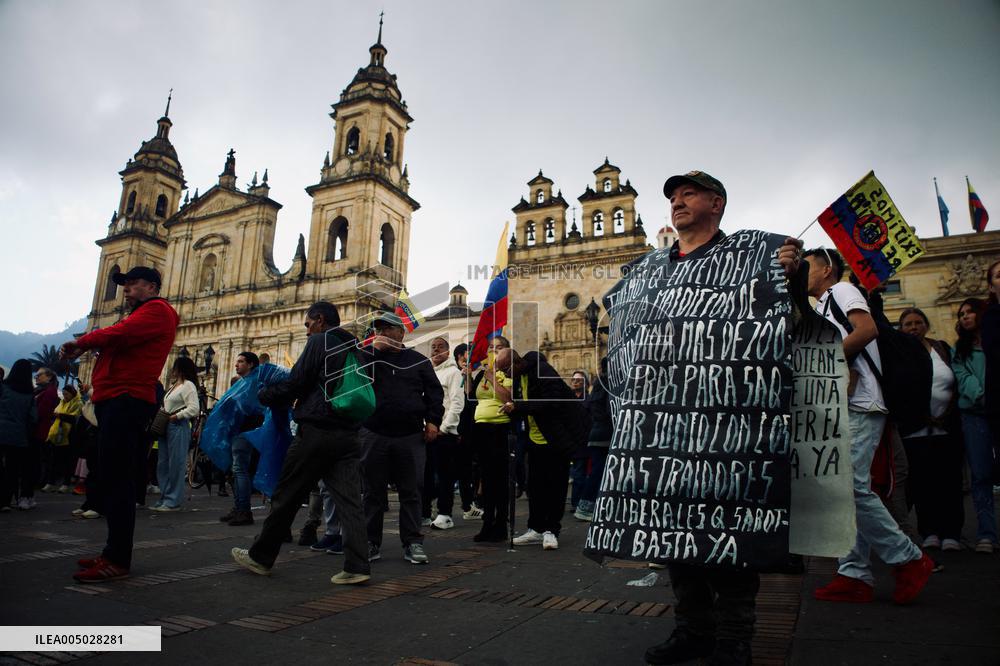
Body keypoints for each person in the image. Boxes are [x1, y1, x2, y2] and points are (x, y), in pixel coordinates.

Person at [600, 170, 803, 666]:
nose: (677, 202)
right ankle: (693, 629)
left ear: (717, 203)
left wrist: (790, 273)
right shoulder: (648, 270)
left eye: (688, 193)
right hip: (662, 428)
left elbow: (787, 315)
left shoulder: (753, 257)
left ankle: (736, 640)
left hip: (729, 426)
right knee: (674, 532)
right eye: (673, 196)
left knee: (731, 534)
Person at [804, 248, 933, 606]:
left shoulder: (843, 291)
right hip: (845, 404)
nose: (803, 273)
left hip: (863, 403)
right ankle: (854, 573)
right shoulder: (822, 305)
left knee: (848, 488)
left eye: (808, 267)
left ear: (827, 269)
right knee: (846, 490)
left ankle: (908, 558)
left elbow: (867, 329)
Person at [230, 301, 371, 585]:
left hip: (316, 430)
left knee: (288, 493)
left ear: (319, 320)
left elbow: (297, 382)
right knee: (349, 501)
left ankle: (261, 556)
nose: (307, 332)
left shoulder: (321, 341)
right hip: (348, 434)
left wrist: (265, 394)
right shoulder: (356, 346)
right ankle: (357, 565)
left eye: (308, 325)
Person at [60, 266, 179, 583]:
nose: (125, 288)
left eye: (133, 283)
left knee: (119, 478)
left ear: (152, 286)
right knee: (113, 475)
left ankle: (117, 558)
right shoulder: (137, 316)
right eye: (123, 283)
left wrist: (83, 342)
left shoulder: (158, 310)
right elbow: (117, 338)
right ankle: (112, 551)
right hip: (116, 399)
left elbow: (119, 335)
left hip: (128, 399)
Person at [360, 312, 444, 564]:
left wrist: (433, 421)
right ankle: (370, 541)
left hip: (409, 435)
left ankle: (413, 543)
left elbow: (434, 393)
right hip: (373, 433)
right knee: (372, 492)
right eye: (380, 329)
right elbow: (351, 380)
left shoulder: (418, 360)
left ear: (401, 332)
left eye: (388, 328)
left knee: (411, 491)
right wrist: (371, 352)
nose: (383, 332)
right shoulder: (367, 358)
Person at [499, 348, 589, 552]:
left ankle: (551, 531)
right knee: (535, 486)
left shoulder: (543, 370)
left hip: (557, 439)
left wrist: (518, 406)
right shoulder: (520, 376)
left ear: (515, 363)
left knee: (555, 486)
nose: (504, 375)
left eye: (505, 369)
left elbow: (551, 402)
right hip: (535, 438)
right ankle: (536, 528)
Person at [896, 307, 964, 550]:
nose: (913, 327)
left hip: (946, 427)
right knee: (922, 482)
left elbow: (956, 380)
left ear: (926, 325)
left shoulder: (942, 349)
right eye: (908, 324)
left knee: (949, 481)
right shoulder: (900, 354)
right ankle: (929, 531)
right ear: (901, 329)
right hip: (915, 430)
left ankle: (952, 532)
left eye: (917, 322)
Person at [952, 297, 997, 553]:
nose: (965, 317)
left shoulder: (994, 345)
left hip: (995, 413)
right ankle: (987, 534)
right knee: (980, 476)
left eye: (970, 312)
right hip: (975, 415)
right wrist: (984, 395)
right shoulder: (960, 350)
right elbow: (963, 378)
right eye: (961, 314)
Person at [466, 337, 513, 542]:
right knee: (485, 478)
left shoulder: (509, 372)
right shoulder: (483, 373)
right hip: (481, 428)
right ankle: (487, 523)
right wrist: (469, 376)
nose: (494, 351)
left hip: (499, 427)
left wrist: (493, 378)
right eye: (491, 348)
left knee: (499, 479)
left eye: (499, 348)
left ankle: (500, 524)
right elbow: (472, 395)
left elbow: (508, 398)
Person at [425, 336, 465, 530]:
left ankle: (445, 514)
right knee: (425, 475)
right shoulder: (426, 372)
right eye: (433, 347)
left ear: (448, 352)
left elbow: (457, 402)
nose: (436, 350)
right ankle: (425, 512)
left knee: (444, 475)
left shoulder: (453, 373)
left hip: (443, 433)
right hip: (426, 430)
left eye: (440, 347)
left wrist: (444, 428)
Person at [221, 351, 263, 526]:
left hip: (245, 431)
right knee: (237, 469)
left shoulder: (251, 384)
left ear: (251, 364)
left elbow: (248, 408)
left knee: (240, 470)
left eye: (241, 362)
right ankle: (239, 507)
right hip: (241, 431)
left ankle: (244, 510)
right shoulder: (244, 384)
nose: (236, 365)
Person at [153, 357, 200, 512]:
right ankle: (165, 496)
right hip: (166, 426)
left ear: (180, 368)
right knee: (163, 463)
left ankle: (173, 500)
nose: (172, 370)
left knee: (176, 464)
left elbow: (194, 408)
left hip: (178, 426)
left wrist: (177, 416)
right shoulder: (174, 386)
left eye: (175, 367)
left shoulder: (188, 385)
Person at [574, 359, 612, 522]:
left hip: (596, 435)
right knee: (598, 472)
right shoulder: (609, 384)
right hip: (604, 435)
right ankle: (586, 506)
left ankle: (586, 505)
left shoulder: (598, 385)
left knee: (596, 471)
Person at [0, 360, 38, 511]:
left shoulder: (3, 388)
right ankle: (5, 501)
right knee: (12, 469)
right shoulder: (30, 395)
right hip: (18, 436)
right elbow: (33, 418)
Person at [27, 367, 59, 507]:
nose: (36, 377)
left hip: (37, 431)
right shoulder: (40, 390)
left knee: (33, 460)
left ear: (49, 377)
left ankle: (29, 492)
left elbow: (41, 413)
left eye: (40, 375)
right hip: (33, 430)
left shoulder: (50, 392)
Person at [43, 384, 82, 493]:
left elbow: (76, 419)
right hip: (58, 436)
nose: (65, 396)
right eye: (64, 394)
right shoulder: (61, 402)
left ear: (72, 393)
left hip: (70, 436)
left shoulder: (78, 403)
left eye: (67, 394)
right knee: (54, 461)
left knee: (67, 462)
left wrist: (60, 416)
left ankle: (65, 483)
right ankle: (50, 483)